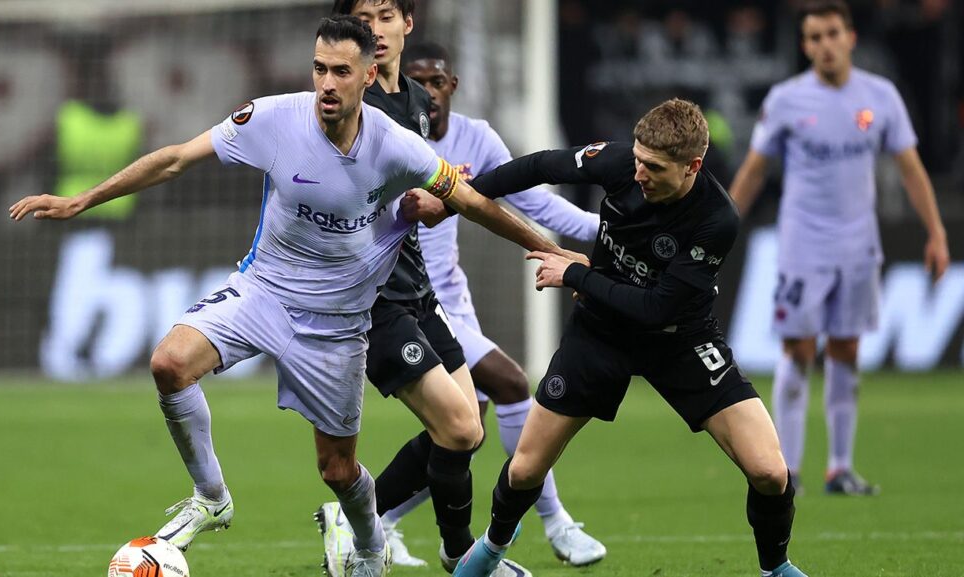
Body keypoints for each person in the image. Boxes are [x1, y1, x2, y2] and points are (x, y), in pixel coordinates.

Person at [9, 16, 565, 577]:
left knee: (338, 470)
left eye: (341, 71)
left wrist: (549, 250)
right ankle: (211, 497)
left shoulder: (398, 147)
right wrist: (82, 200)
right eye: (319, 69)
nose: (327, 83)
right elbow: (176, 158)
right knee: (169, 364)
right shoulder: (272, 118)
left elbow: (473, 203)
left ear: (368, 75)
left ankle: (369, 543)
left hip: (339, 326)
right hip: (263, 294)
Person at [407, 98, 809, 577]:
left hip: (680, 340)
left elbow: (657, 308)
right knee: (526, 469)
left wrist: (578, 274)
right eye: (638, 160)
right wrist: (455, 197)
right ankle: (491, 548)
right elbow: (539, 166)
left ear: (692, 167)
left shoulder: (716, 219)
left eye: (654, 168)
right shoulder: (621, 163)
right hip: (599, 333)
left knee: (769, 471)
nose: (639, 174)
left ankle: (776, 568)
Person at [317, 3, 579, 576]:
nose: (374, 29)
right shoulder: (350, 102)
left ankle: (409, 533)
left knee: (466, 429)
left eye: (385, 15)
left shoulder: (415, 102)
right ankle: (408, 536)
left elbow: (444, 194)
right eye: (362, 17)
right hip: (372, 298)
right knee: (463, 423)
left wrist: (429, 200)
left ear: (407, 23)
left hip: (418, 288)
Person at [369, 41, 606, 568]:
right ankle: (554, 522)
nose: (428, 92)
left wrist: (606, 231)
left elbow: (534, 202)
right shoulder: (386, 134)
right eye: (417, 82)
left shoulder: (475, 136)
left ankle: (370, 516)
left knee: (464, 429)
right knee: (511, 383)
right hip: (406, 298)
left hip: (450, 300)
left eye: (436, 81)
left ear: (451, 85)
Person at [728, 0, 949, 495]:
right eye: (815, 37)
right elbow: (754, 171)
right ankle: (788, 469)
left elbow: (911, 169)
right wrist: (722, 225)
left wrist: (935, 231)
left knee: (847, 349)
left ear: (850, 37)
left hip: (858, 245)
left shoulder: (881, 96)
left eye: (832, 34)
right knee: (799, 349)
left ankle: (840, 468)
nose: (825, 45)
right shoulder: (786, 100)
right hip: (802, 244)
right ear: (805, 46)